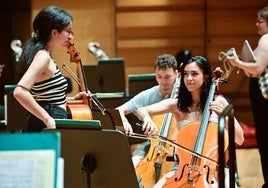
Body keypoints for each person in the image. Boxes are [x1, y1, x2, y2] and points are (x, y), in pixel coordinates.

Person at [136, 55, 245, 187]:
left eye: (194, 74)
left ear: (205, 77)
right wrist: (147, 118)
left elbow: (240, 139)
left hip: (214, 170)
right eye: (186, 74)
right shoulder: (177, 105)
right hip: (180, 169)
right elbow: (142, 109)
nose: (189, 78)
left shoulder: (219, 102)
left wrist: (225, 116)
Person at [13, 6, 89, 132]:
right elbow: (19, 92)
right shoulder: (43, 57)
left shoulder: (46, 55)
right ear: (54, 33)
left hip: (51, 118)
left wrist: (70, 99)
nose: (71, 36)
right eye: (68, 31)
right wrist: (47, 118)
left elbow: (44, 97)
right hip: (48, 123)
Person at [227, 6, 268, 188]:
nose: (257, 24)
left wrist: (237, 62)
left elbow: (258, 68)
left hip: (264, 101)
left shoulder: (266, 39)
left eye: (260, 21)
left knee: (266, 138)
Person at [116, 53, 180, 168]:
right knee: (133, 163)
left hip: (178, 144)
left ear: (176, 73)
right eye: (159, 76)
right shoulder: (150, 94)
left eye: (167, 77)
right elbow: (119, 110)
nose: (163, 82)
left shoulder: (183, 92)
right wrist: (124, 122)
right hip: (153, 144)